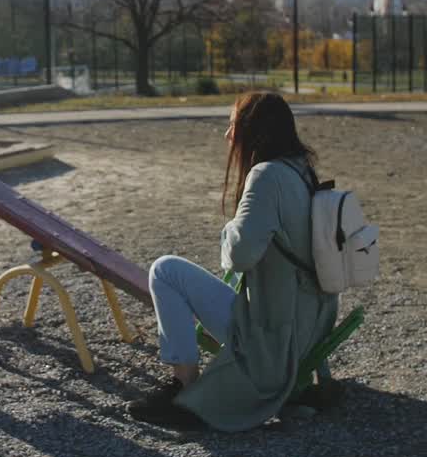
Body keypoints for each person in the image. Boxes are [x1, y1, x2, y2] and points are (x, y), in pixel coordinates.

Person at [126, 91, 340, 431]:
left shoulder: (266, 176)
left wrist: (228, 230)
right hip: (311, 323)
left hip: (274, 337)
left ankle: (183, 386)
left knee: (165, 270)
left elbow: (239, 258)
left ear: (254, 131)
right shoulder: (300, 169)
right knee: (178, 274)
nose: (228, 136)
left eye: (232, 126)